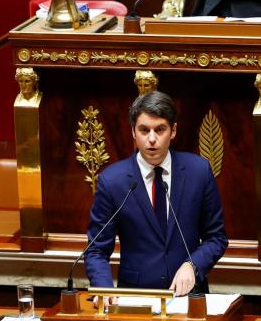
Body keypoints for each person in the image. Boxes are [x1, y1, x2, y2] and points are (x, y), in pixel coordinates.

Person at [84, 91, 228, 298]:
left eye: (160, 130)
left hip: (188, 297)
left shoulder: (199, 172)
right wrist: (104, 289)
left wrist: (192, 266)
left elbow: (216, 237)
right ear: (133, 132)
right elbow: (96, 250)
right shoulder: (112, 181)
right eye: (144, 130)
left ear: (173, 131)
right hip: (135, 298)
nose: (152, 139)